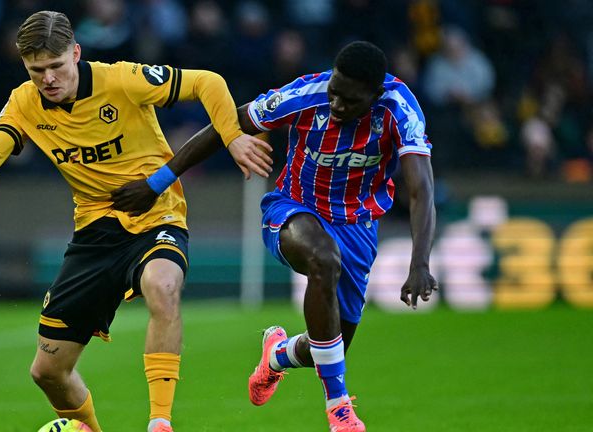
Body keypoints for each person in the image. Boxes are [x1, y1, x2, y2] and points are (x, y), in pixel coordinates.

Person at [0, 10, 268, 432]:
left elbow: (208, 82)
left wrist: (232, 137)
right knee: (47, 373)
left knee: (162, 286)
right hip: (94, 232)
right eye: (36, 70)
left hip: (155, 214)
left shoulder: (121, 79)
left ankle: (160, 423)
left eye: (56, 66)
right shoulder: (24, 102)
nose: (47, 79)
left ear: (76, 53)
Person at [111, 41, 437, 431]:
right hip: (292, 209)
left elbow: (421, 189)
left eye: (350, 101)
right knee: (323, 258)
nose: (337, 105)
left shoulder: (399, 109)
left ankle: (278, 355)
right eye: (335, 92)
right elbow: (225, 125)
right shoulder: (305, 94)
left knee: (331, 345)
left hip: (356, 224)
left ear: (375, 94)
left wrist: (420, 262)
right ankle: (339, 409)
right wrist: (157, 182)